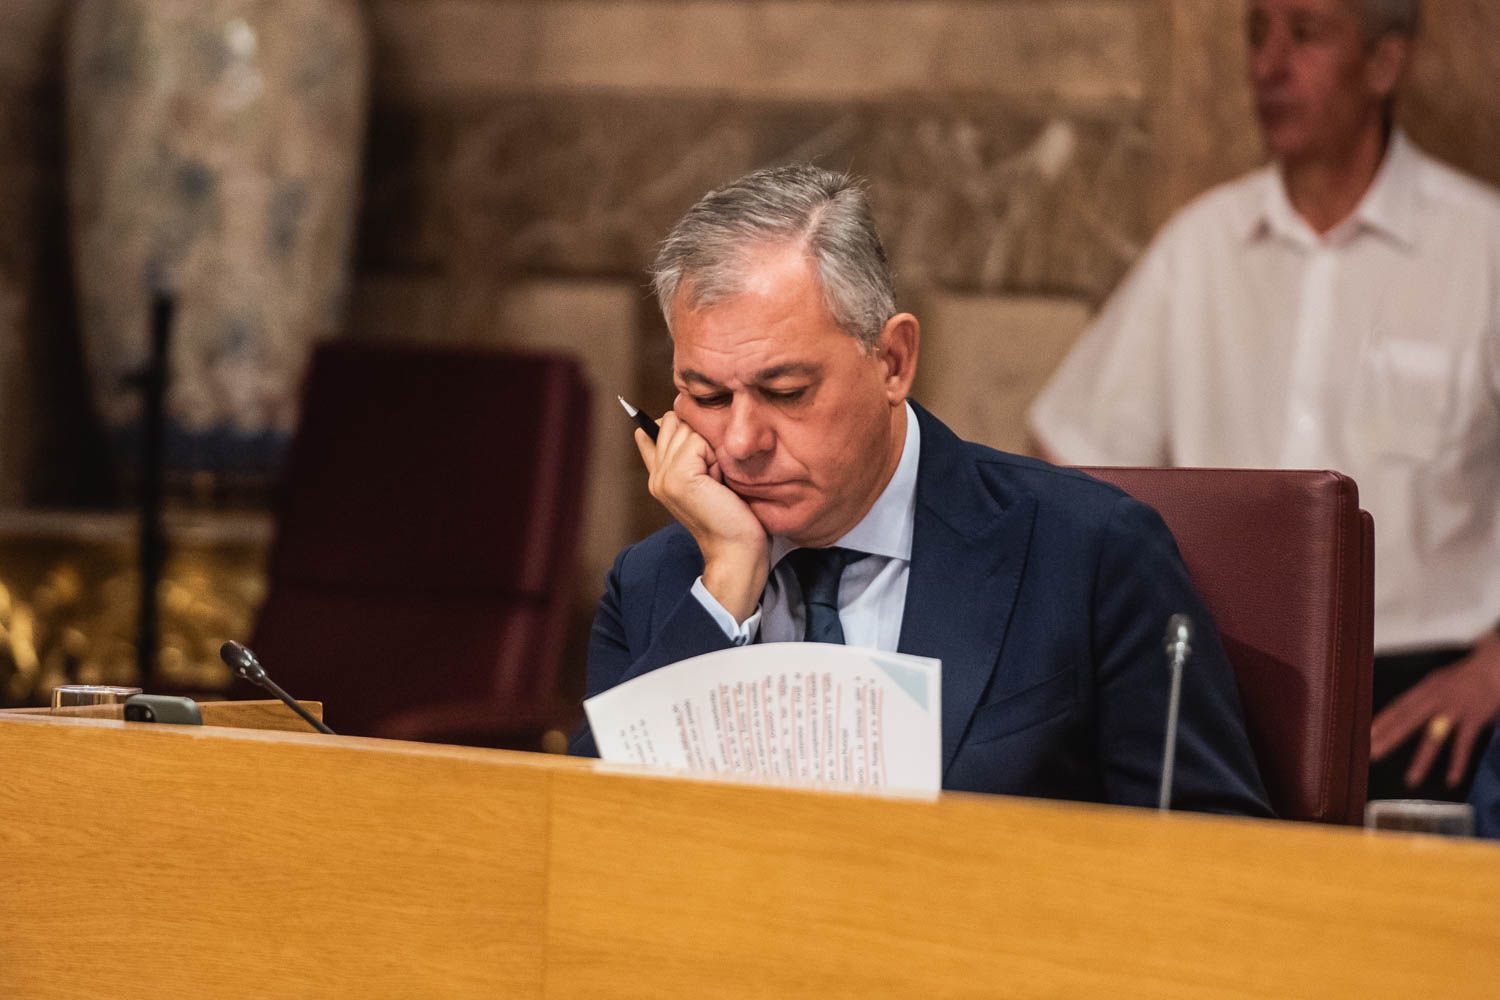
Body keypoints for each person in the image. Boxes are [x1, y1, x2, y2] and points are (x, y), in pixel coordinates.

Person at [570, 164, 1271, 816]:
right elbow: (581, 848)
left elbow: (1218, 860)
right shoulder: (657, 586)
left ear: (894, 361)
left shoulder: (1089, 555)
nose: (744, 440)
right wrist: (726, 583)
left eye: (785, 392)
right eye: (708, 396)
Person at [1028, 0, 1500, 803]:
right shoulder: (1201, 246)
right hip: (1219, 683)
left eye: (1306, 35)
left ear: (1385, 65)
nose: (1268, 65)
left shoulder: (1481, 247)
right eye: (1257, 34)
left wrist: (1494, 670)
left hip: (1430, 701)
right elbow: (1076, 460)